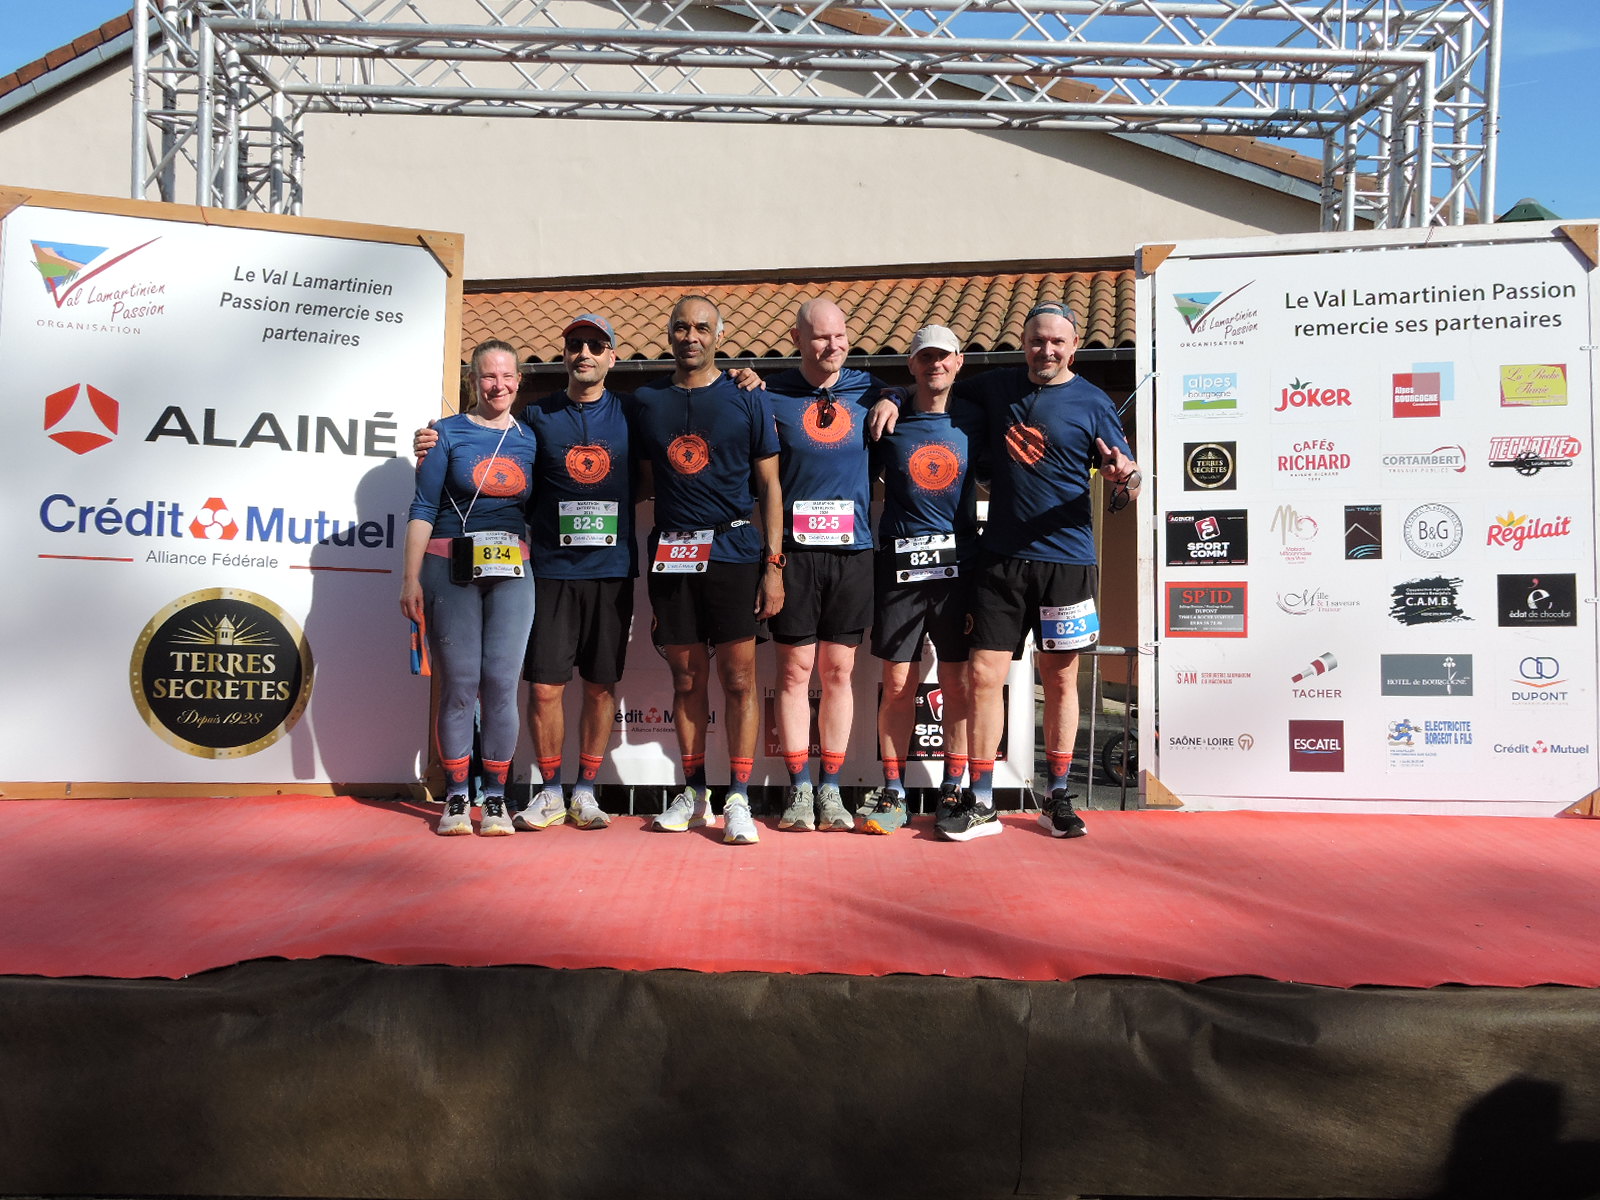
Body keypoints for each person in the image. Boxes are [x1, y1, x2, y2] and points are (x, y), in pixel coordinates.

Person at [417, 315, 636, 832]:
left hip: (608, 568)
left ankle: (579, 792)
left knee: (592, 686)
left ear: (611, 356)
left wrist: (748, 380)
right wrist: (430, 440)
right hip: (547, 568)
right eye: (575, 344)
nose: (584, 353)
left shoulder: (635, 411)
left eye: (596, 345)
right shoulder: (536, 417)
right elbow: (465, 458)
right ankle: (541, 792)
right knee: (530, 688)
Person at [944, 300, 1142, 841]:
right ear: (1024, 344)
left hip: (1067, 562)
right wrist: (891, 398)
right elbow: (935, 385)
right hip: (1000, 561)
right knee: (984, 677)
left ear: (1073, 347)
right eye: (1037, 341)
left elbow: (1128, 480)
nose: (1046, 350)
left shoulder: (1095, 402)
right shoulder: (996, 387)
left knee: (1059, 679)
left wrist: (1124, 477)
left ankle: (1057, 797)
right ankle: (982, 799)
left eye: (1057, 342)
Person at [631, 294, 784, 846]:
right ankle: (694, 793)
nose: (690, 337)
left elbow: (770, 486)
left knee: (740, 681)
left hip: (735, 553)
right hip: (671, 555)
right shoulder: (646, 401)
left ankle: (738, 797)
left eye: (701, 327)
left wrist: (773, 565)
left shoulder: (748, 397)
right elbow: (636, 479)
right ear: (668, 335)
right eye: (680, 327)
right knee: (686, 679)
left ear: (719, 335)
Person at [401, 339, 537, 836]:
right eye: (488, 376)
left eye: (507, 376)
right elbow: (423, 507)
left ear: (518, 380)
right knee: (459, 685)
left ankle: (496, 798)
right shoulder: (444, 433)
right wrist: (409, 578)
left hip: (513, 571)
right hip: (448, 566)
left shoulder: (530, 437)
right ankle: (457, 796)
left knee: (501, 685)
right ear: (472, 381)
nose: (498, 385)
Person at [857, 324, 984, 836]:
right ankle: (894, 790)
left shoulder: (975, 416)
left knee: (956, 682)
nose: (935, 365)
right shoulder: (888, 417)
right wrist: (890, 396)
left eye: (943, 356)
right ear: (911, 364)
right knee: (896, 684)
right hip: (900, 569)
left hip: (959, 568)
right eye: (924, 357)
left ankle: (952, 789)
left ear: (958, 362)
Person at [758, 299, 879, 832]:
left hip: (853, 552)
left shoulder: (870, 390)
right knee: (792, 672)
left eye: (840, 336)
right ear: (798, 339)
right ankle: (799, 788)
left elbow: (908, 393)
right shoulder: (771, 394)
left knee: (838, 672)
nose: (833, 346)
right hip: (796, 555)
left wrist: (895, 398)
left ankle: (831, 787)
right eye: (820, 337)